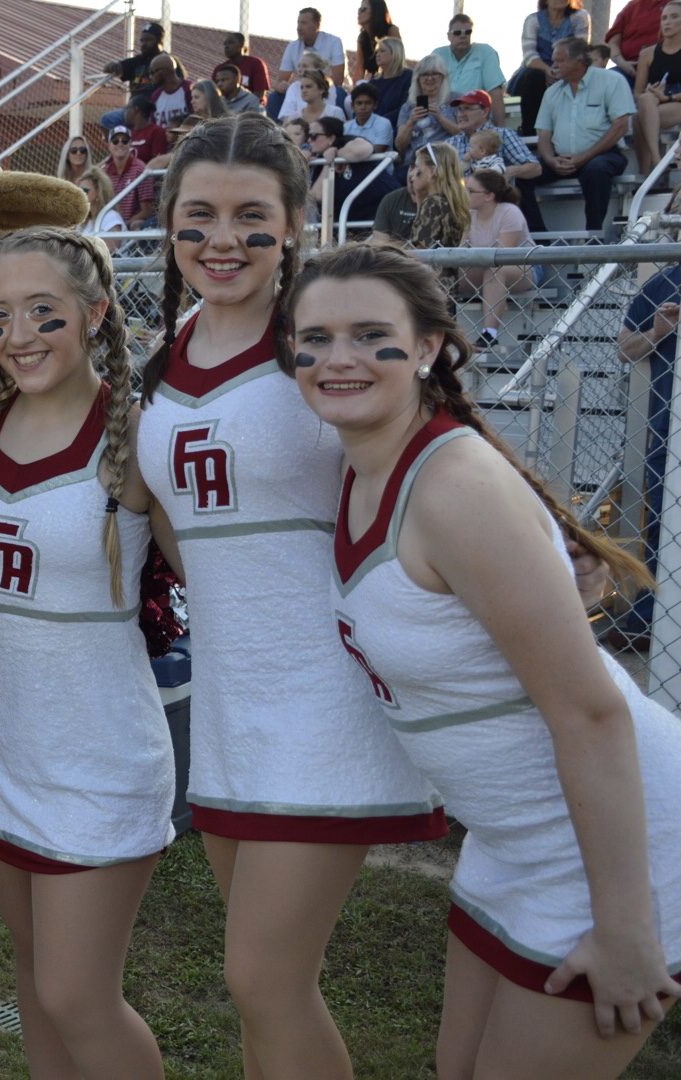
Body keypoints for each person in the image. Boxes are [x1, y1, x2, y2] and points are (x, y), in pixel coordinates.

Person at [286, 241, 681, 1080]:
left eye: (368, 334)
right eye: (312, 338)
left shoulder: (452, 484)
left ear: (427, 345)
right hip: (514, 843)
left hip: (621, 854)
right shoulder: (362, 469)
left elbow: (591, 711)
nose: (336, 358)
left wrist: (625, 927)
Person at [137, 113, 446, 1079]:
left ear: (294, 223)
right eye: (198, 217)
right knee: (267, 984)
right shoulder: (169, 347)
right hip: (234, 694)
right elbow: (172, 525)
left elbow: (432, 459)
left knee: (262, 980)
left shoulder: (317, 340)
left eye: (248, 216)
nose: (220, 239)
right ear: (170, 226)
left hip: (326, 695)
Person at [0, 225, 174, 1079]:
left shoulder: (138, 436)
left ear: (96, 314)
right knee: (33, 985)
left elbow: (222, 569)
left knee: (76, 996)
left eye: (42, 313)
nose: (17, 337)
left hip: (98, 755)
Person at [614, 196, 681, 649]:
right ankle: (650, 616)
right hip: (668, 420)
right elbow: (624, 347)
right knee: (660, 515)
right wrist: (657, 333)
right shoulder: (662, 283)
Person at [521, 38, 635, 235]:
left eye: (560, 61)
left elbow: (621, 126)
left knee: (596, 169)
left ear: (580, 61)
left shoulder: (611, 81)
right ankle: (539, 238)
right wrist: (551, 160)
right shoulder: (552, 92)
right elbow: (544, 135)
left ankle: (594, 235)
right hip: (561, 158)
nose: (553, 66)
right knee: (520, 174)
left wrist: (585, 156)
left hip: (603, 154)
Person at [460, 170, 539, 352]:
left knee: (495, 270)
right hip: (482, 266)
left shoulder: (510, 212)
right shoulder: (468, 214)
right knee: (446, 272)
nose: (466, 194)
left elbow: (505, 256)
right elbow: (462, 251)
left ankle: (490, 333)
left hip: (524, 267)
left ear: (489, 196)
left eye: (471, 191)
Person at [513, 0, 592, 138]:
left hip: (569, 67)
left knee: (577, 78)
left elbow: (580, 50)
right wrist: (547, 70)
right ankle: (529, 132)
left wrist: (561, 70)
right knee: (534, 78)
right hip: (538, 67)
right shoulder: (533, 20)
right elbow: (529, 55)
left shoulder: (580, 17)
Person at [307, 116, 395, 225]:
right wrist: (328, 164)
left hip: (384, 208)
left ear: (331, 138)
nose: (309, 140)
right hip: (354, 221)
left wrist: (337, 153)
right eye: (308, 135)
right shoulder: (319, 159)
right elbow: (318, 196)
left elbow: (362, 150)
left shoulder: (348, 142)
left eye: (314, 136)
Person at [444, 90, 541, 185]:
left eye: (467, 108)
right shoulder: (450, 143)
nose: (460, 114)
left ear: (485, 112)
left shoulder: (503, 135)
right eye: (459, 109)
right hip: (460, 198)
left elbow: (536, 168)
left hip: (495, 198)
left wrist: (509, 171)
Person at [395, 54, 461, 185]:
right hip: (413, 163)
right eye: (425, 74)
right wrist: (411, 122)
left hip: (443, 162)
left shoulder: (455, 100)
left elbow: (463, 134)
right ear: (418, 79)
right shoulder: (408, 107)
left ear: (443, 77)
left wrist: (440, 118)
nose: (430, 78)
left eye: (435, 74)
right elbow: (399, 146)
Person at [632, 0, 681, 175]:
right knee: (644, 101)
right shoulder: (647, 54)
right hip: (653, 103)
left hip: (676, 102)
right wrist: (652, 93)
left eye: (674, 17)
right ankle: (655, 160)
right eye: (664, 18)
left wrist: (667, 98)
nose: (667, 22)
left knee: (640, 118)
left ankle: (649, 170)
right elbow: (637, 93)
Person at [433, 13, 509, 127]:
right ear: (449, 36)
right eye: (457, 33)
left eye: (467, 32)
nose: (463, 36)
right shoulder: (438, 55)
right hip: (443, 119)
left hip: (476, 118)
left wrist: (501, 130)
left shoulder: (485, 52)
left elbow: (495, 93)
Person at [411, 144, 471, 285]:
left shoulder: (433, 203)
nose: (412, 174)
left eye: (417, 168)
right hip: (448, 282)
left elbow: (421, 253)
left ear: (432, 172)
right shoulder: (450, 202)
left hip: (431, 284)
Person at [102, 21, 166, 128]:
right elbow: (108, 68)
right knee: (108, 120)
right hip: (132, 109)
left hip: (154, 109)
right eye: (142, 40)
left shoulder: (167, 62)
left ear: (159, 41)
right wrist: (113, 66)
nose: (144, 44)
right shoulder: (137, 61)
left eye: (148, 40)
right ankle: (121, 143)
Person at [278, 8, 346, 96]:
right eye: (298, 23)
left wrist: (315, 88)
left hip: (327, 89)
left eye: (304, 23)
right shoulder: (292, 46)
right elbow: (280, 81)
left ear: (317, 25)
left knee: (339, 93)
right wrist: (281, 86)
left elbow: (337, 81)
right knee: (275, 97)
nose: (298, 28)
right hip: (304, 90)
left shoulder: (334, 42)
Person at [100, 125, 155, 228]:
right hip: (110, 226)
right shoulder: (104, 172)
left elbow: (147, 210)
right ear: (109, 145)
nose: (120, 144)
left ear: (130, 144)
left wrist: (125, 225)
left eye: (124, 141)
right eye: (115, 141)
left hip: (131, 228)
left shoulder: (140, 169)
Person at [609, 0, 669, 83]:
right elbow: (612, 43)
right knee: (606, 80)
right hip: (628, 68)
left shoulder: (674, 7)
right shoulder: (631, 7)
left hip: (664, 68)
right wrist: (622, 63)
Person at [372, 150, 426, 243]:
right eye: (411, 167)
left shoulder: (441, 203)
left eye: (418, 169)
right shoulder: (391, 199)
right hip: (394, 256)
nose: (411, 174)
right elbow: (379, 245)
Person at [277, 50, 338, 120]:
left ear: (317, 69)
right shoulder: (294, 87)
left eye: (305, 66)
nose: (299, 69)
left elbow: (328, 115)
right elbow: (286, 117)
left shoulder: (329, 88)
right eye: (299, 66)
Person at [353, 0, 402, 83]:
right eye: (359, 9)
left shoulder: (391, 30)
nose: (359, 13)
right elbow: (359, 70)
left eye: (363, 9)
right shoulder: (362, 38)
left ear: (375, 11)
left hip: (391, 79)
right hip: (372, 82)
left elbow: (397, 60)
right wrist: (356, 90)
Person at [215, 32, 269, 106]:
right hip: (227, 108)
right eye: (225, 44)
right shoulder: (220, 69)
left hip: (252, 109)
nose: (226, 46)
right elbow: (214, 94)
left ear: (241, 44)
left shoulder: (256, 64)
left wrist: (241, 106)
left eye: (231, 43)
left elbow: (260, 93)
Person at [369, 36, 414, 123]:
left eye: (382, 51)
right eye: (377, 51)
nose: (377, 54)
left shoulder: (409, 77)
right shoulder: (374, 81)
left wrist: (380, 121)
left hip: (397, 125)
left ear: (395, 53)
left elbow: (405, 107)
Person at [78, 168, 123, 250]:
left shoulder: (111, 216)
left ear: (99, 192)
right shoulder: (84, 221)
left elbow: (111, 249)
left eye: (85, 190)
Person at [147, 53, 193, 127]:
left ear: (164, 71)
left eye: (152, 72)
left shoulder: (189, 89)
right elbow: (154, 125)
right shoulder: (156, 96)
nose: (150, 77)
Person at [345, 83, 393, 152]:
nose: (363, 107)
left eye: (368, 103)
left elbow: (377, 151)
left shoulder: (383, 124)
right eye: (359, 103)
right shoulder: (346, 127)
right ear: (352, 106)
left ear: (375, 105)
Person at [125, 96, 168, 163]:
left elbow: (159, 161)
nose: (125, 112)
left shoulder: (157, 132)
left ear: (136, 109)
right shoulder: (129, 133)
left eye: (127, 108)